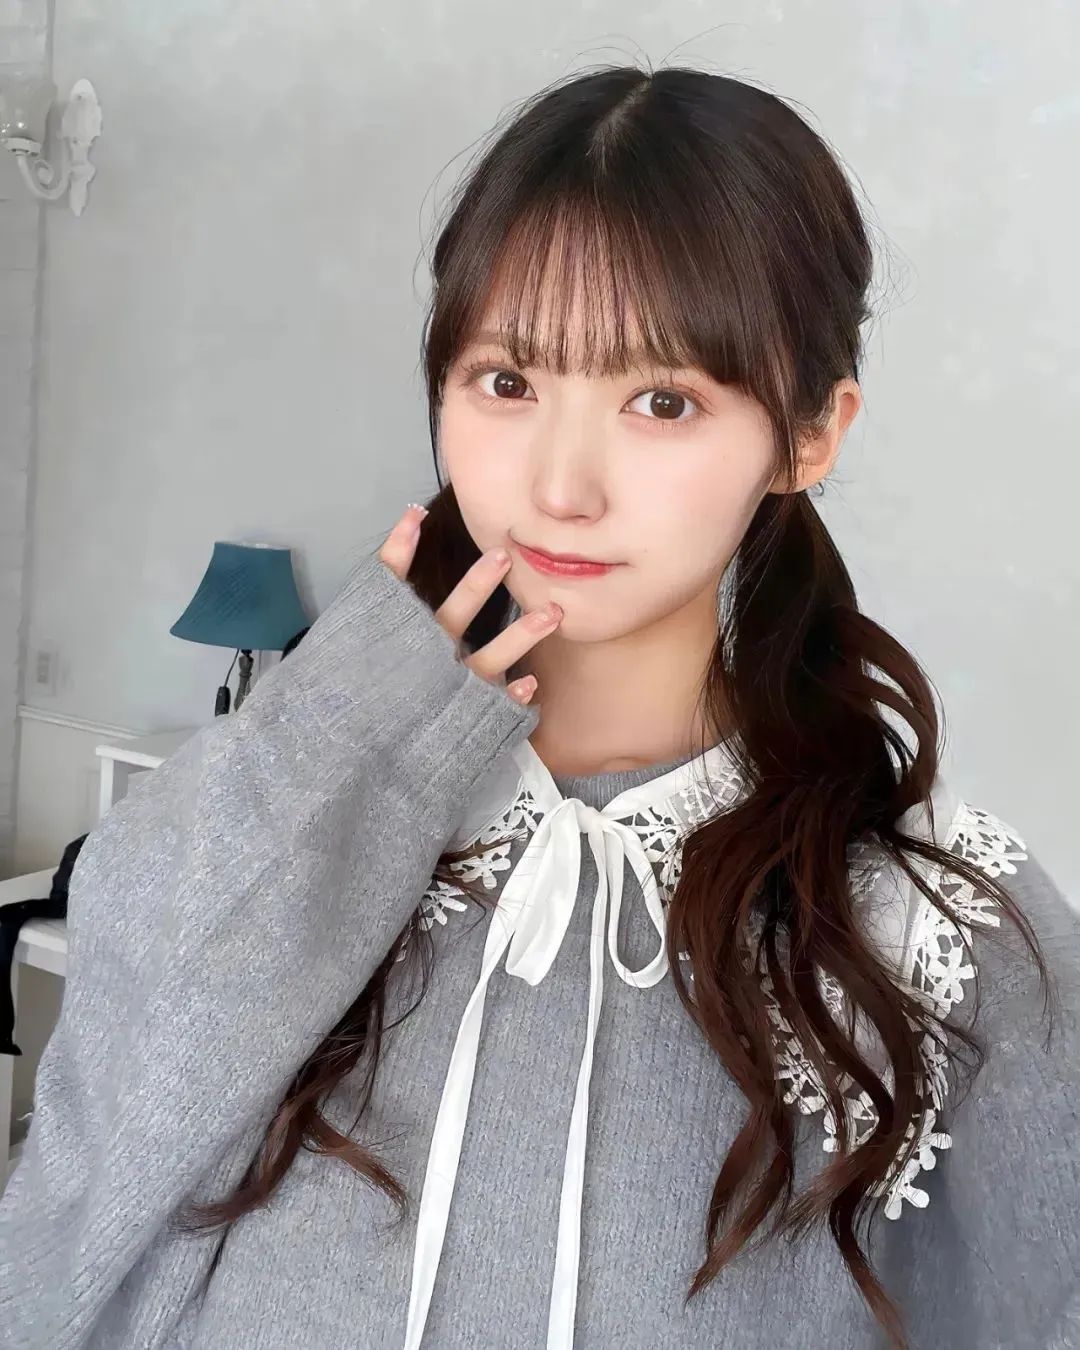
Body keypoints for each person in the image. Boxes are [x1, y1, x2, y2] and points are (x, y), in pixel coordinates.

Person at [1, 63, 1078, 1350]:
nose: (561, 487)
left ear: (810, 432)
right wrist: (344, 738)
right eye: (507, 382)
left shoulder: (936, 927)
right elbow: (77, 1217)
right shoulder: (311, 798)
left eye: (663, 401)